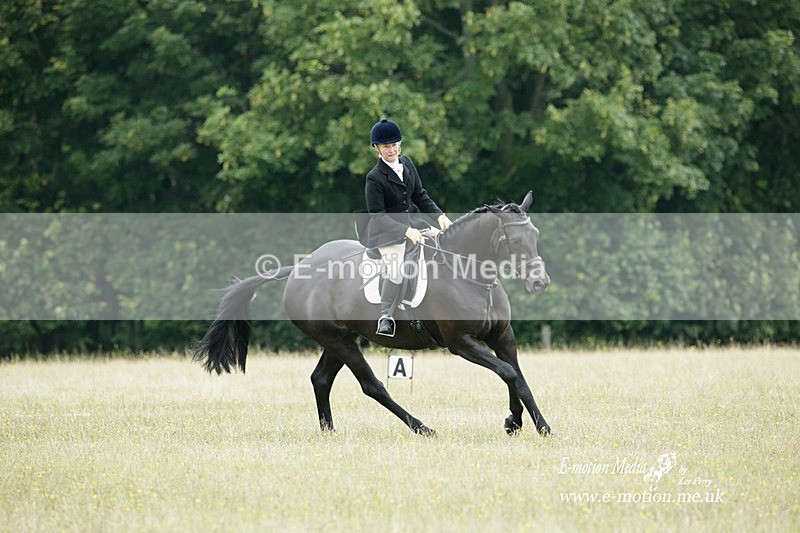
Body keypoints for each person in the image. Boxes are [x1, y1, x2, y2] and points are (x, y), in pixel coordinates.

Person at [364, 119, 452, 336]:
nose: (391, 149)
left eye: (394, 144)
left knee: (446, 244)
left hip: (415, 224)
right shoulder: (374, 178)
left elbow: (420, 195)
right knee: (395, 269)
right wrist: (405, 231)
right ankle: (386, 316)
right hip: (387, 234)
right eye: (386, 146)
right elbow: (377, 216)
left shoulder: (407, 164)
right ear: (377, 148)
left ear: (400, 144)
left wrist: (439, 216)